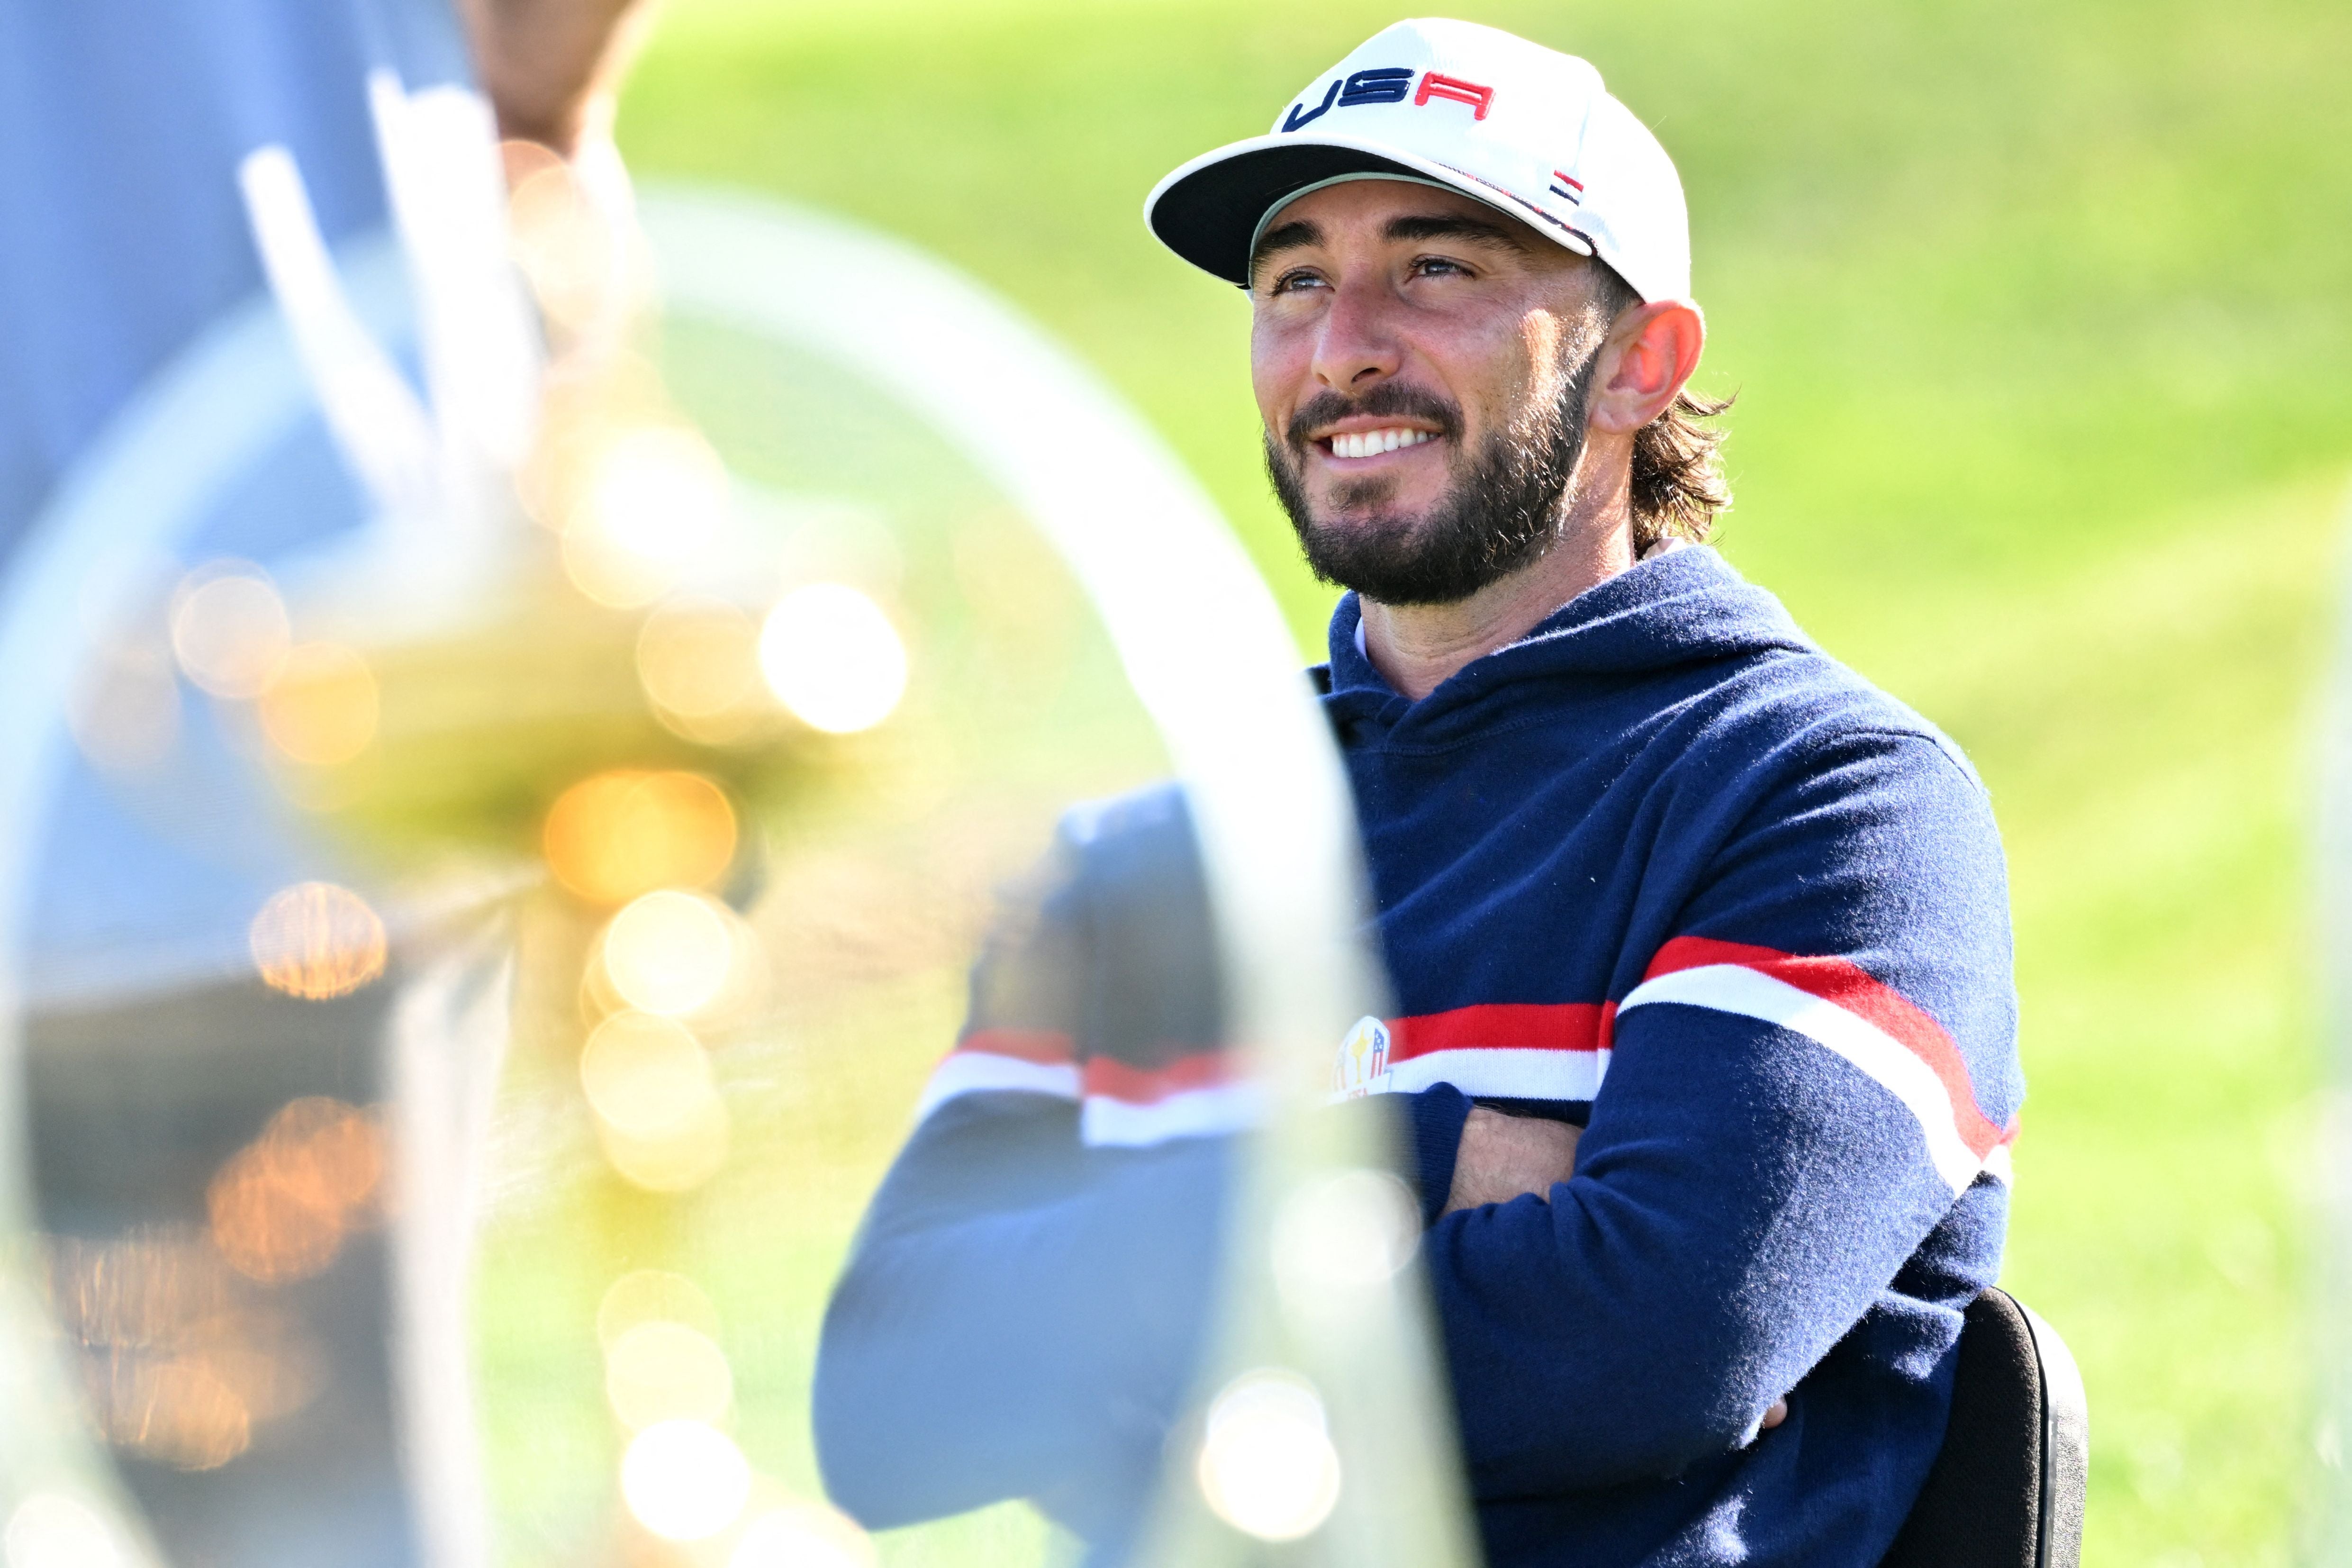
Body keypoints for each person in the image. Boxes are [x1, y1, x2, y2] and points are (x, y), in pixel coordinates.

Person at [816, 18, 2022, 1567]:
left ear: (1638, 363)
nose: (1341, 349)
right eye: (1294, 282)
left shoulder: (1819, 797)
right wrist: (1418, 1161)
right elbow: (882, 1398)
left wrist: (1105, 1325)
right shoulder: (1132, 862)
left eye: (1435, 270)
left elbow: (1648, 1350)